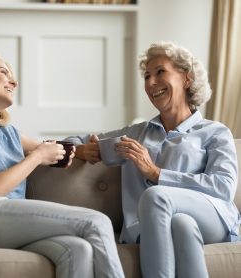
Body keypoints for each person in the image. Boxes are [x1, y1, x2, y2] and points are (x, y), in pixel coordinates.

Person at [66, 41, 241, 278]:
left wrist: (156, 174)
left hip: (214, 217)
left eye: (160, 72)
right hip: (154, 226)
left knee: (156, 195)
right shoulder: (136, 134)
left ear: (186, 78)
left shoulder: (215, 132)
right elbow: (73, 140)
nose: (150, 83)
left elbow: (223, 187)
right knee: (182, 225)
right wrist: (82, 150)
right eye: (147, 76)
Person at [0, 53, 125, 278]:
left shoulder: (8, 132)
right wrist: (37, 156)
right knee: (97, 222)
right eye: (3, 72)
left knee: (78, 250)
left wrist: (84, 151)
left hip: (3, 222)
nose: (14, 81)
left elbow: (51, 148)